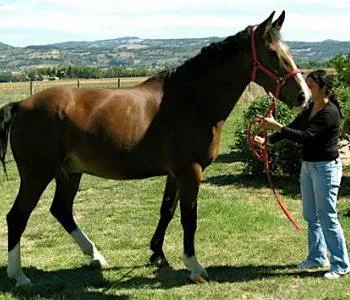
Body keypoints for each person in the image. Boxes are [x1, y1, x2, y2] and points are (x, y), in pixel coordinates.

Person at [254, 69, 350, 279]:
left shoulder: (330, 112)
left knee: (327, 217)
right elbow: (294, 127)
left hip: (326, 169)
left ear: (323, 87)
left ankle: (341, 264)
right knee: (311, 216)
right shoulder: (312, 107)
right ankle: (317, 257)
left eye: (311, 85)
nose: (308, 88)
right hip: (308, 167)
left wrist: (275, 125)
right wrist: (269, 140)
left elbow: (305, 136)